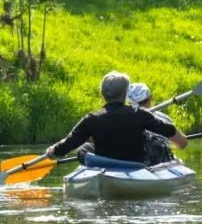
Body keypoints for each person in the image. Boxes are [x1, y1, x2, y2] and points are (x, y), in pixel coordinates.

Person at [45, 71, 188, 165]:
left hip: (105, 164)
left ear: (103, 93)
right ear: (124, 93)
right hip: (135, 165)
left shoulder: (92, 118)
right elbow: (169, 131)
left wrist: (52, 152)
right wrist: (182, 142)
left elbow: (68, 144)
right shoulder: (140, 114)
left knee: (84, 148)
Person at [126, 81, 187, 165]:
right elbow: (183, 144)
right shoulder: (162, 118)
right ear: (150, 99)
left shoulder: (122, 118)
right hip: (159, 164)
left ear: (128, 102)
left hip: (133, 164)